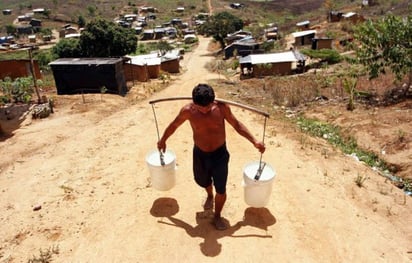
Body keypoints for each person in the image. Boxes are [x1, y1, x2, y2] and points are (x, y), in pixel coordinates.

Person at [157, 83, 265, 230]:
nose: (204, 110)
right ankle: (209, 195)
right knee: (203, 180)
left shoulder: (222, 108)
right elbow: (174, 125)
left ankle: (217, 216)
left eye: (207, 107)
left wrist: (254, 141)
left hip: (220, 154)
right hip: (200, 153)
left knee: (221, 189)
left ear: (213, 101)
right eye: (200, 108)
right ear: (194, 103)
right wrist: (163, 139)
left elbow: (237, 125)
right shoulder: (188, 111)